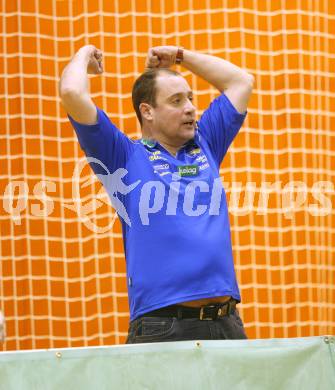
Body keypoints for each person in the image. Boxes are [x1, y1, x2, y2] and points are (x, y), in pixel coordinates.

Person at [59, 45, 254, 343]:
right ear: (147, 111)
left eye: (190, 98)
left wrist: (180, 56)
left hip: (227, 323)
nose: (190, 107)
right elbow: (72, 93)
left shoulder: (207, 142)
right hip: (162, 327)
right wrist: (85, 54)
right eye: (176, 100)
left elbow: (241, 81)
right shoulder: (122, 157)